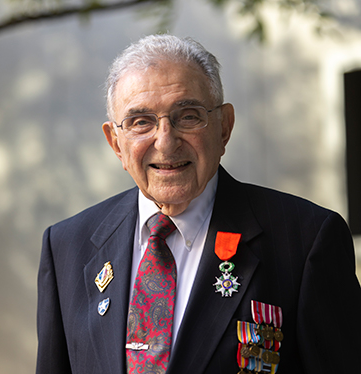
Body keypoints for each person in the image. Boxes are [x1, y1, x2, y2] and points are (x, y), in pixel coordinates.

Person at [36, 34, 361, 374]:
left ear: (224, 127)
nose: (165, 141)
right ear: (116, 143)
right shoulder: (66, 248)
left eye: (188, 116)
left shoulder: (305, 240)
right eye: (141, 122)